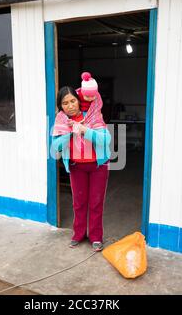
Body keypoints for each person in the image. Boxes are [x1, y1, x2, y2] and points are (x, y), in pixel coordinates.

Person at [51, 85, 112, 252]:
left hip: (98, 167)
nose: (70, 105)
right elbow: (55, 146)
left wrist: (85, 130)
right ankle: (78, 234)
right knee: (79, 203)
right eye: (65, 103)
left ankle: (95, 237)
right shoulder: (61, 122)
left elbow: (106, 140)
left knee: (96, 202)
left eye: (72, 101)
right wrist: (70, 132)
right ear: (61, 106)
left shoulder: (93, 116)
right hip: (76, 167)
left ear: (78, 101)